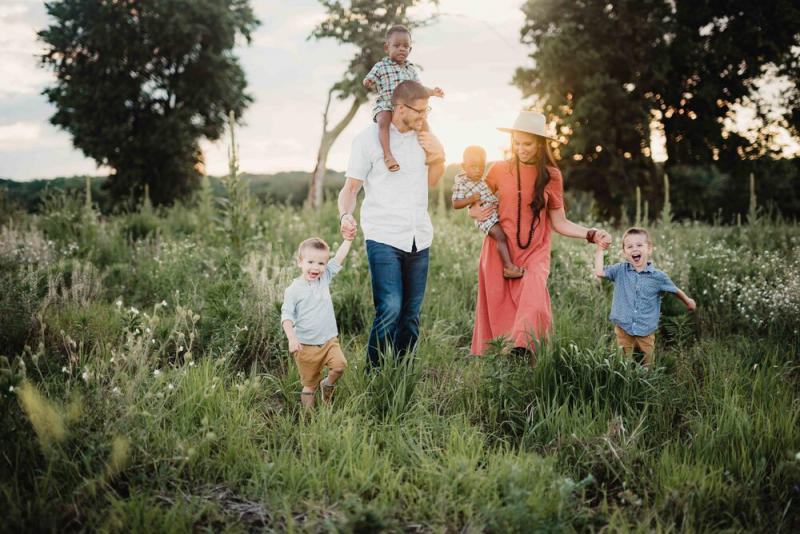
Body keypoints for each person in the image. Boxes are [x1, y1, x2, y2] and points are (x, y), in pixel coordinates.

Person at [469, 111, 612, 356]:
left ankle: (524, 354)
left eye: (527, 144)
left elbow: (560, 222)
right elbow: (475, 199)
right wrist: (473, 210)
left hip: (535, 252)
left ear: (540, 144)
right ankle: (511, 368)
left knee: (533, 302)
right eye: (517, 142)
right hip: (499, 252)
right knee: (501, 312)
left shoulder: (551, 176)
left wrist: (591, 233)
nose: (520, 148)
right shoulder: (499, 169)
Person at [338, 80, 446, 370]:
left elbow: (433, 181)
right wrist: (345, 216)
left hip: (419, 236)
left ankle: (401, 375)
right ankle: (374, 375)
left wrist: (440, 155)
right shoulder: (368, 139)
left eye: (428, 111)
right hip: (383, 235)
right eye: (420, 111)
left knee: (411, 315)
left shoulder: (424, 137)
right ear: (400, 108)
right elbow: (350, 190)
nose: (425, 117)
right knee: (390, 307)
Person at [594, 227, 696, 369]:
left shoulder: (658, 276)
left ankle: (645, 385)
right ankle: (625, 385)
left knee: (648, 366)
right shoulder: (620, 270)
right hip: (623, 329)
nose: (635, 249)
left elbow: (674, 289)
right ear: (624, 253)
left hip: (646, 330)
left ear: (649, 249)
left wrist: (687, 301)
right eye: (630, 246)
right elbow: (599, 272)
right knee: (621, 365)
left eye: (639, 245)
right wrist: (600, 249)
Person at [281, 236, 353, 407]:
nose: (316, 267)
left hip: (329, 341)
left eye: (321, 263)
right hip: (306, 346)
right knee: (309, 386)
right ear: (300, 262)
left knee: (340, 366)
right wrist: (291, 337)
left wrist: (348, 239)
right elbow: (287, 316)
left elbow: (339, 257)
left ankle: (327, 384)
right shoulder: (293, 290)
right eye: (310, 262)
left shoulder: (324, 278)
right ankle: (309, 421)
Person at [363, 24, 444, 172]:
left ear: (410, 50)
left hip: (407, 106)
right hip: (387, 104)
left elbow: (419, 89)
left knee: (423, 122)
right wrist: (368, 81)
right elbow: (370, 78)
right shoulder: (381, 66)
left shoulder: (410, 69)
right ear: (387, 48)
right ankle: (388, 155)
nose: (402, 49)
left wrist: (432, 91)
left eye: (406, 46)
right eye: (397, 45)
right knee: (383, 121)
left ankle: (430, 152)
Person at [452, 145, 525, 278]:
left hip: (493, 213)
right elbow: (456, 204)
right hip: (485, 217)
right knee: (500, 236)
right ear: (464, 166)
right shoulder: (461, 183)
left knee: (506, 234)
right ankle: (509, 267)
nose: (478, 171)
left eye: (481, 167)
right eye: (473, 167)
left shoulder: (480, 181)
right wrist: (470, 199)